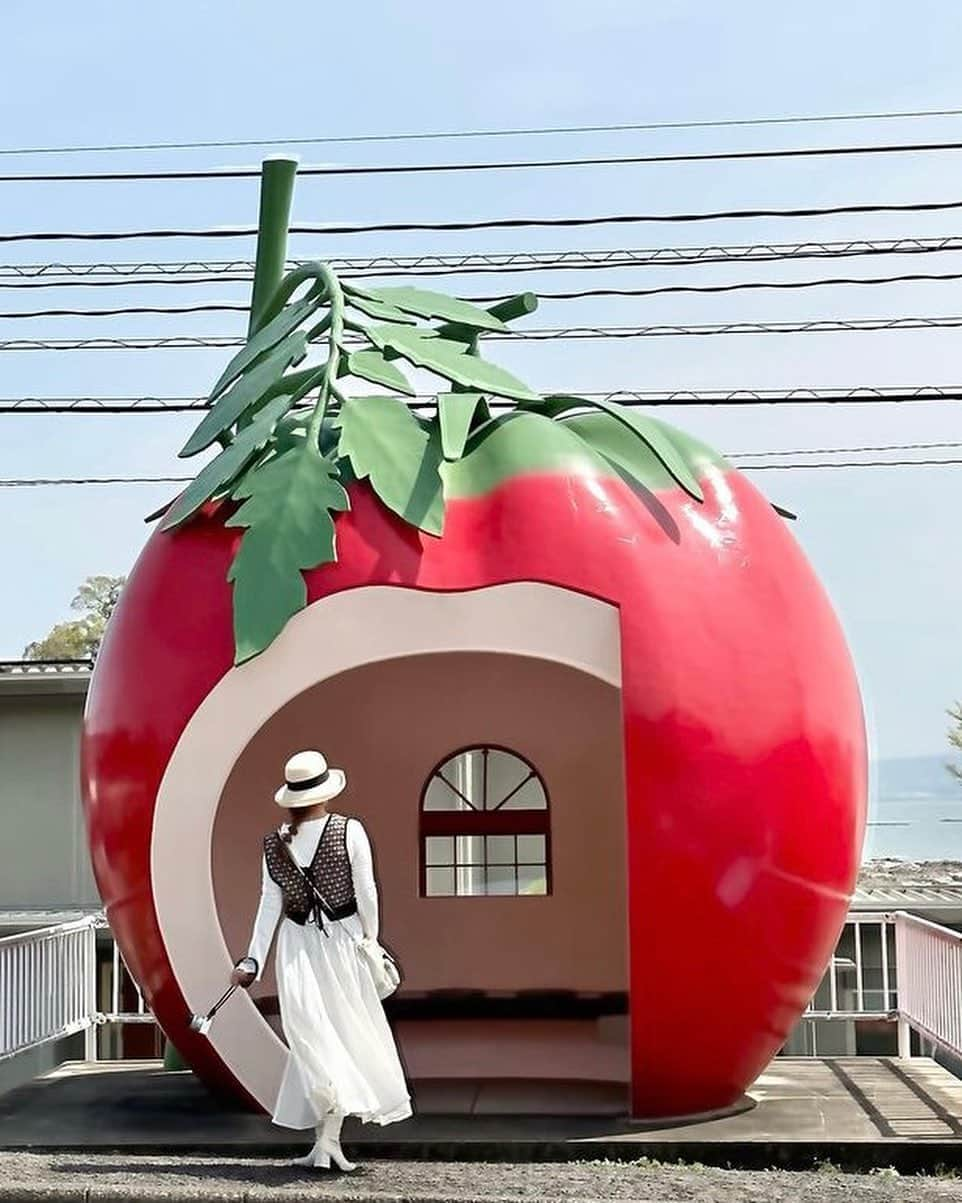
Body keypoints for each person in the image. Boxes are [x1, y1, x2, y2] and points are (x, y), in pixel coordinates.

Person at [231, 748, 412, 1171]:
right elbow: (366, 892)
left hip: (297, 949)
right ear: (325, 793)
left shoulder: (273, 844)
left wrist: (253, 959)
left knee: (313, 1039)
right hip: (343, 942)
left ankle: (325, 1141)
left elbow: (267, 906)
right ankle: (326, 1142)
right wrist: (371, 939)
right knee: (338, 1037)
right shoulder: (349, 830)